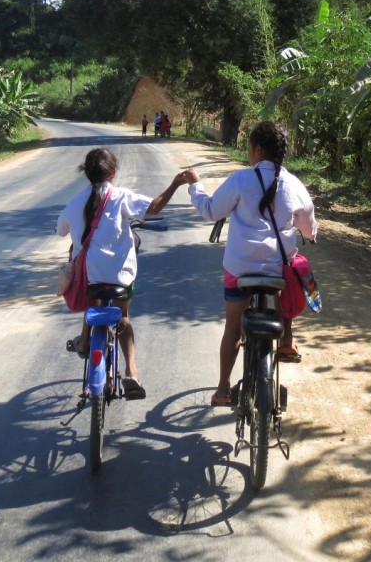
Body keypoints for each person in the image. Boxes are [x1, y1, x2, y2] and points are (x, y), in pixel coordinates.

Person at [181, 121, 318, 407]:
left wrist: (196, 186)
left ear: (256, 149)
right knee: (293, 268)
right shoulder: (294, 184)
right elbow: (309, 231)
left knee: (233, 326)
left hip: (240, 270)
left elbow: (210, 210)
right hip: (276, 271)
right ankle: (286, 339)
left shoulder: (240, 180)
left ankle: (222, 390)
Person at [57, 147, 188, 399]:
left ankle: (85, 342)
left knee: (92, 306)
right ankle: (132, 373)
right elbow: (154, 208)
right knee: (123, 318)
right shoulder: (120, 197)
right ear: (113, 173)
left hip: (89, 278)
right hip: (120, 277)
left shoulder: (75, 201)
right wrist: (174, 184)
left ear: (87, 174)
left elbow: (61, 231)